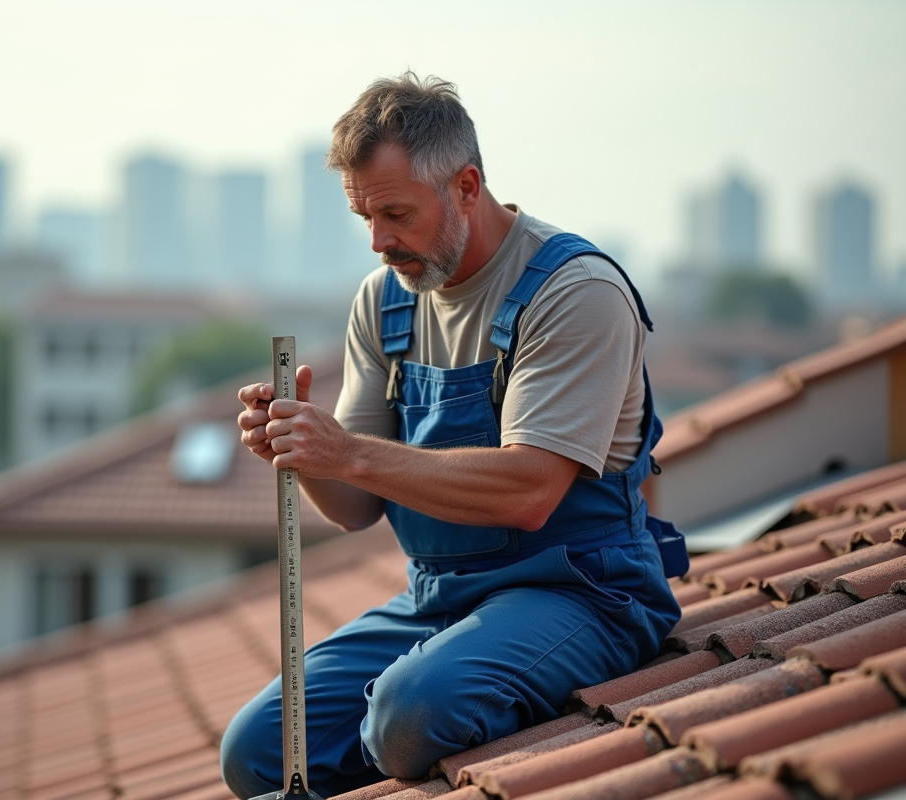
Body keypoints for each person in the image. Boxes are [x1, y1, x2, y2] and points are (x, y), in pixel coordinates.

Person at [222, 72, 685, 799]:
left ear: (466, 186)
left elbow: (530, 491)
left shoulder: (575, 292)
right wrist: (304, 451)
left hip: (582, 592)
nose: (379, 242)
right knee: (258, 750)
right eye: (364, 216)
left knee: (407, 718)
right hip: (441, 599)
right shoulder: (385, 301)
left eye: (396, 214)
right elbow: (354, 508)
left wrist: (349, 451)